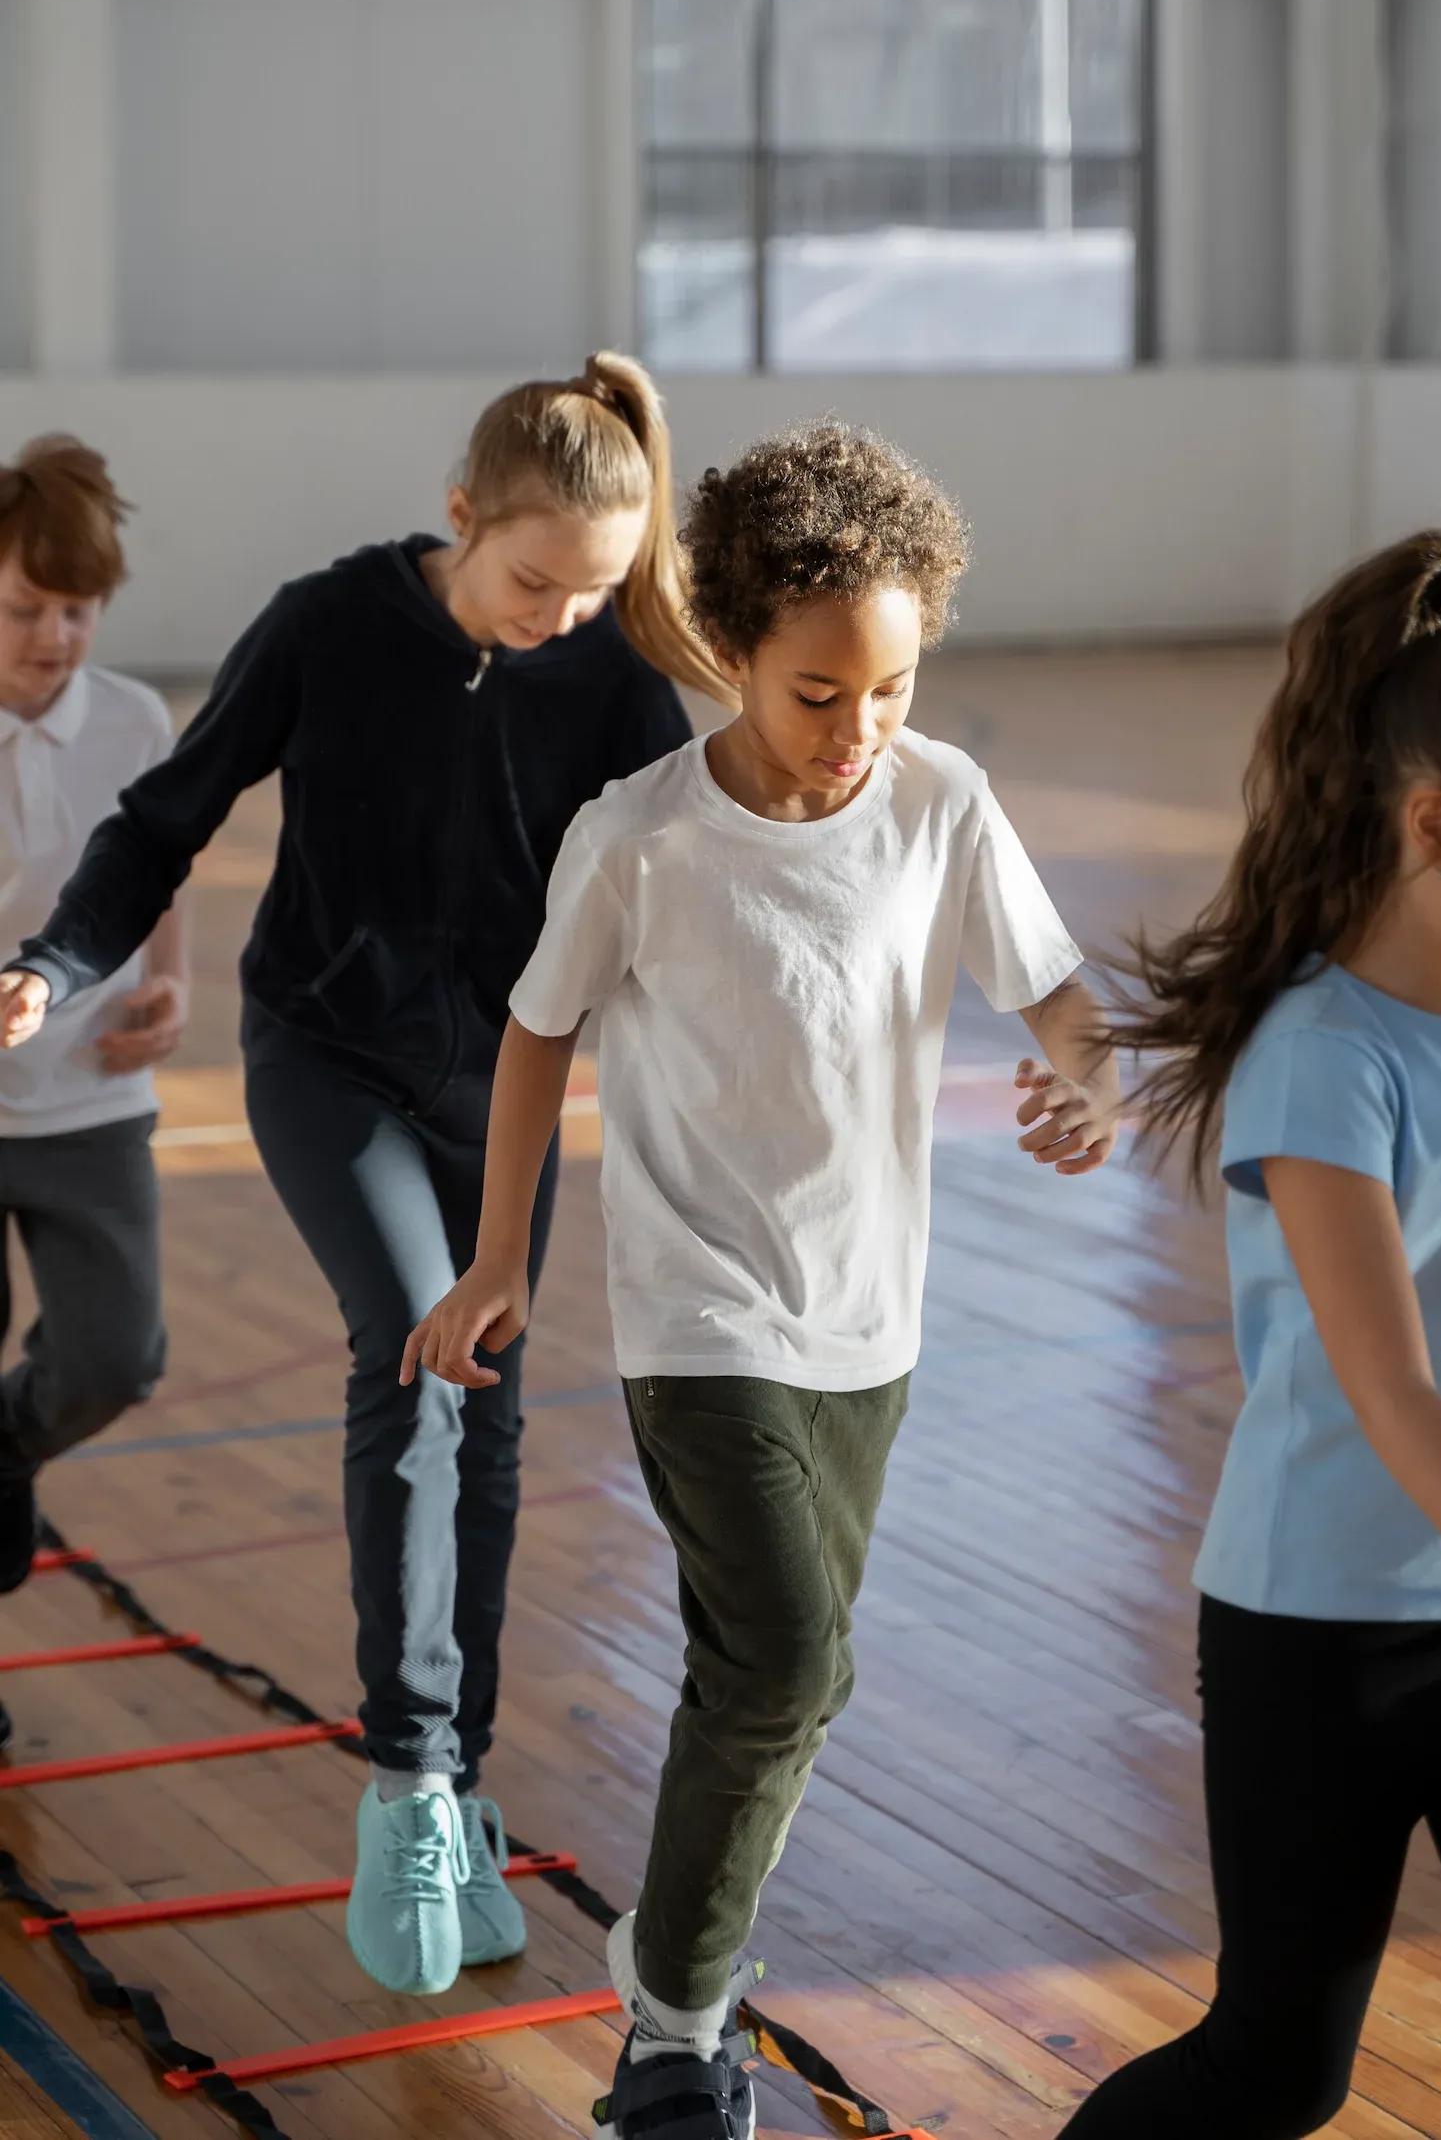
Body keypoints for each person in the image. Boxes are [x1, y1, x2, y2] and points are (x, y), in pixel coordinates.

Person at [405, 422, 1122, 2140]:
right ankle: (670, 2034)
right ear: (734, 650)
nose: (856, 728)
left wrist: (1092, 1086)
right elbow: (536, 1032)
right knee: (788, 1661)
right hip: (698, 1316)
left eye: (890, 690)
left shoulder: (941, 804)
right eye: (818, 693)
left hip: (869, 1323)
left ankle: (678, 1955)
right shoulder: (639, 837)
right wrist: (497, 1252)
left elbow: (1063, 999)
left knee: (785, 1672)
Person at [0, 356, 725, 1997]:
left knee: (491, 1417)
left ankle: (460, 1785)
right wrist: (57, 961)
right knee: (414, 1348)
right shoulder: (326, 625)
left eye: (593, 593)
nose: (557, 620)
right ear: (461, 514)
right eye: (533, 582)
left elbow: (688, 877)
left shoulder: (608, 669)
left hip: (506, 1088)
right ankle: (404, 1783)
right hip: (326, 1057)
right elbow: (163, 819)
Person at [1059, 533, 1441, 2138]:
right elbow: (1391, 1387)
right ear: (1433, 822)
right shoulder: (1324, 1053)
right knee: (1276, 2068)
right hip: (1325, 1630)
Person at [0, 438, 186, 1669]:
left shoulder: (134, 719)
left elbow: (157, 878)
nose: (55, 635)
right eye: (25, 607)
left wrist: (172, 986)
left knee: (118, 1356)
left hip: (91, 1098)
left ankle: (2, 1457)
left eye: (78, 610)